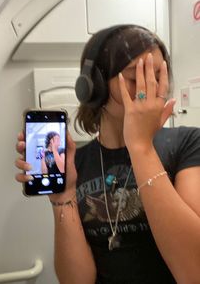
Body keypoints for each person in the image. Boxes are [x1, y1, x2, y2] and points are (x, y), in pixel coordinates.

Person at [15, 24, 200, 284]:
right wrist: (63, 196)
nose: (152, 89)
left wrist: (140, 146)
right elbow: (77, 281)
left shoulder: (189, 142)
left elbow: (194, 272)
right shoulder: (76, 164)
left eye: (158, 76)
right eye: (137, 78)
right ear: (96, 87)